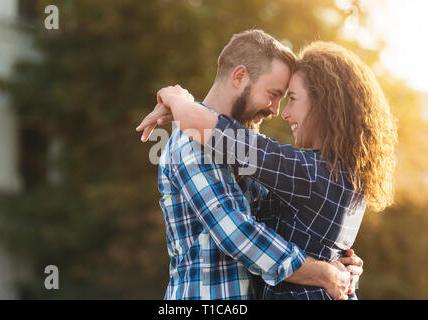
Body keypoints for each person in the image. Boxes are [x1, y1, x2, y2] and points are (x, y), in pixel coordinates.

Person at [137, 30, 364, 300]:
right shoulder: (192, 142)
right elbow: (238, 235)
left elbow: (285, 223)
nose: (276, 110)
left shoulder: (246, 146)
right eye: (273, 94)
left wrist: (335, 256)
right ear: (240, 76)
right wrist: (325, 274)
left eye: (286, 98)